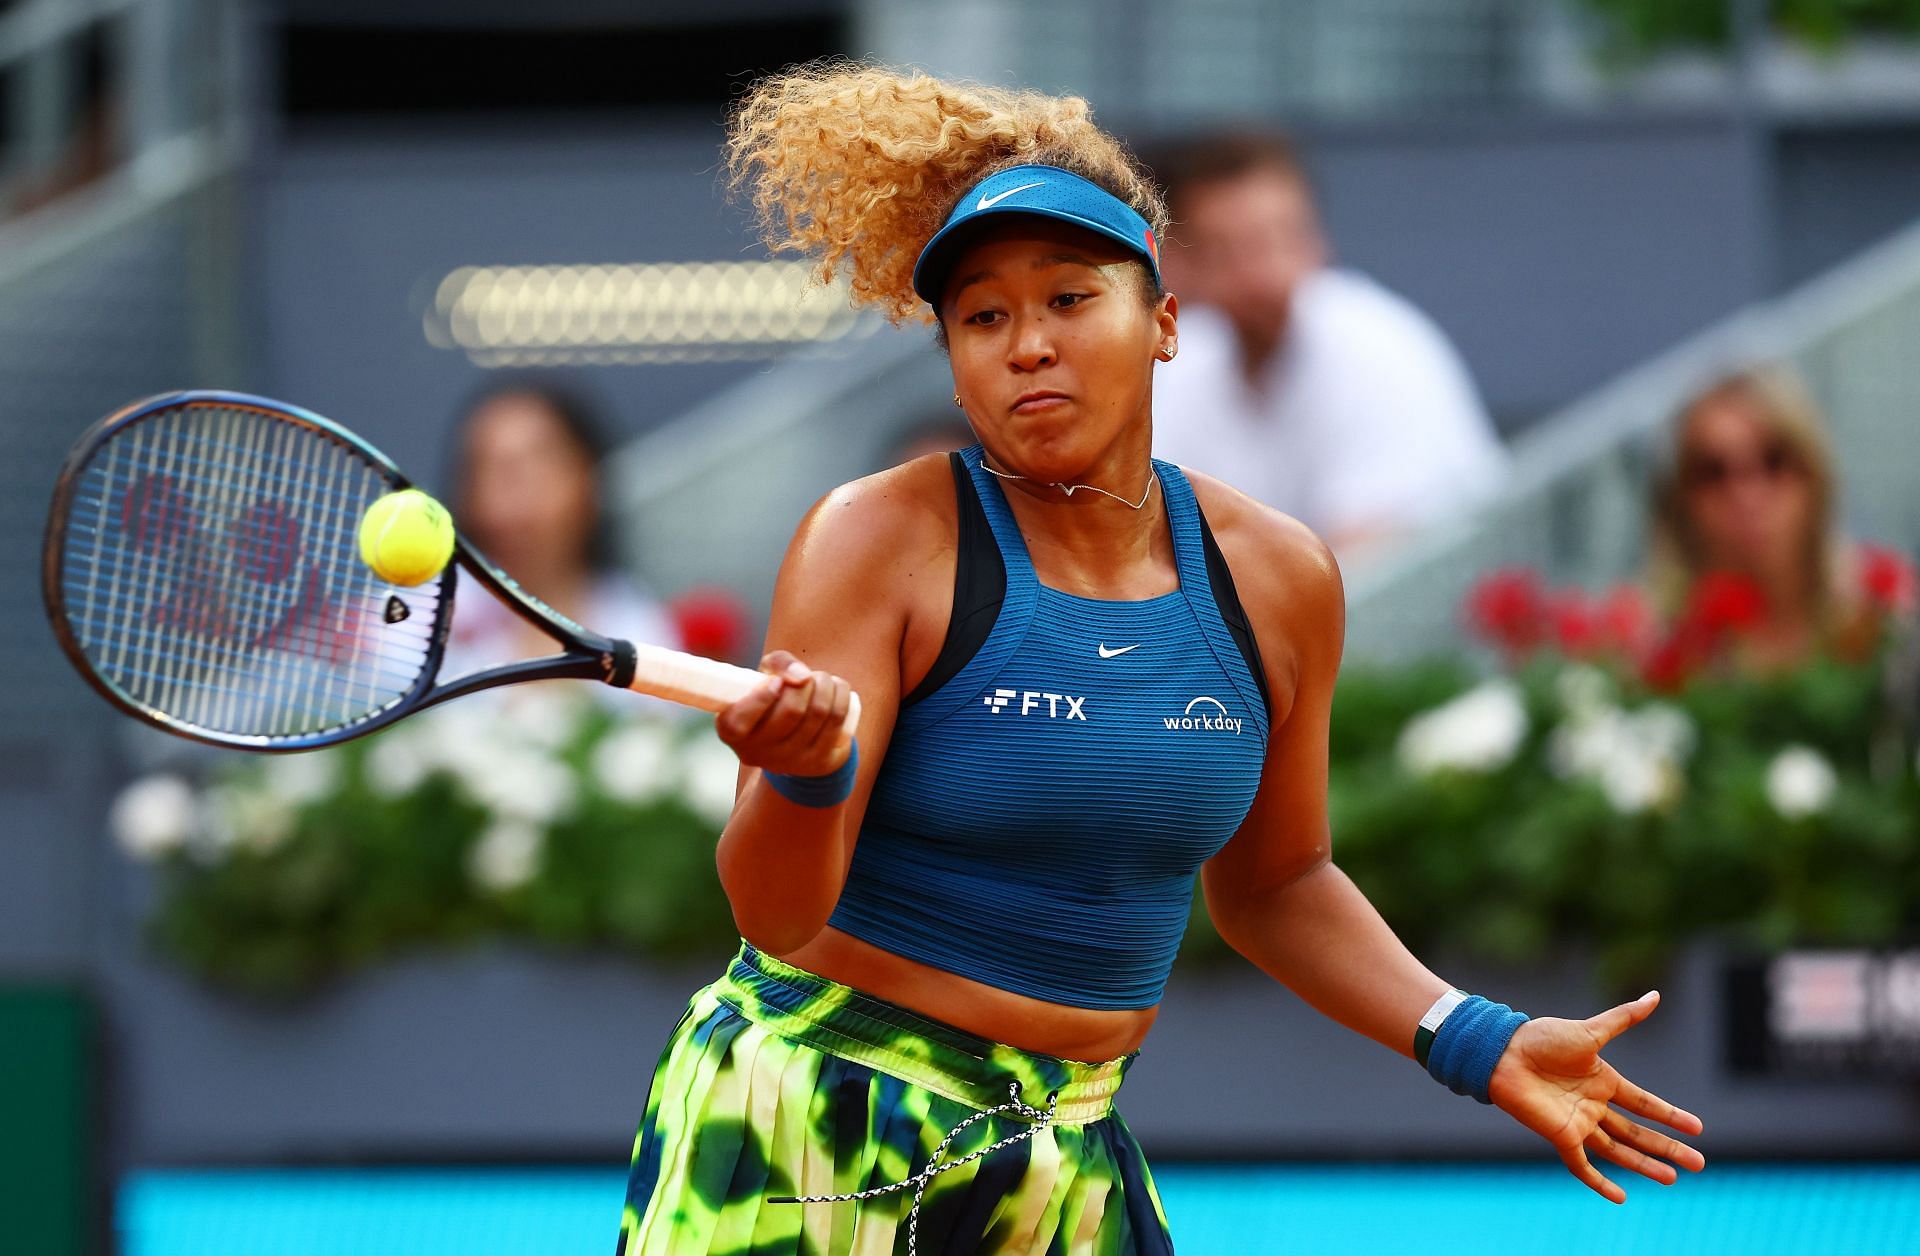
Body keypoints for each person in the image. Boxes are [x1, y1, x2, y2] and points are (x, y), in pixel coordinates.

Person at [617, 65, 1704, 1255]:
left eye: (1070, 299)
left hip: (1068, 1144)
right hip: (809, 1114)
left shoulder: (1281, 576)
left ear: (1165, 322)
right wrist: (807, 775)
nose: (1027, 344)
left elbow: (1276, 883)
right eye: (982, 317)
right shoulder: (877, 537)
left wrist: (1473, 1034)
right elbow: (773, 912)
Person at [1145, 131, 1509, 565]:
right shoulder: (1191, 356)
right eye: (1229, 251)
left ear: (1316, 240)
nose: (1264, 273)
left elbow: (1363, 568)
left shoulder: (1371, 343)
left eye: (1281, 238)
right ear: (1186, 264)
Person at [1646, 363, 1915, 677]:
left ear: (1815, 478)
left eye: (1774, 461)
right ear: (1679, 503)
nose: (1746, 495)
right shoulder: (1648, 658)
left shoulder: (1889, 625)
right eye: (1713, 472)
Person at [442, 378, 678, 681]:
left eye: (529, 475)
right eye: (486, 474)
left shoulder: (643, 631)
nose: (507, 508)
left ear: (588, 482)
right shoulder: (417, 626)